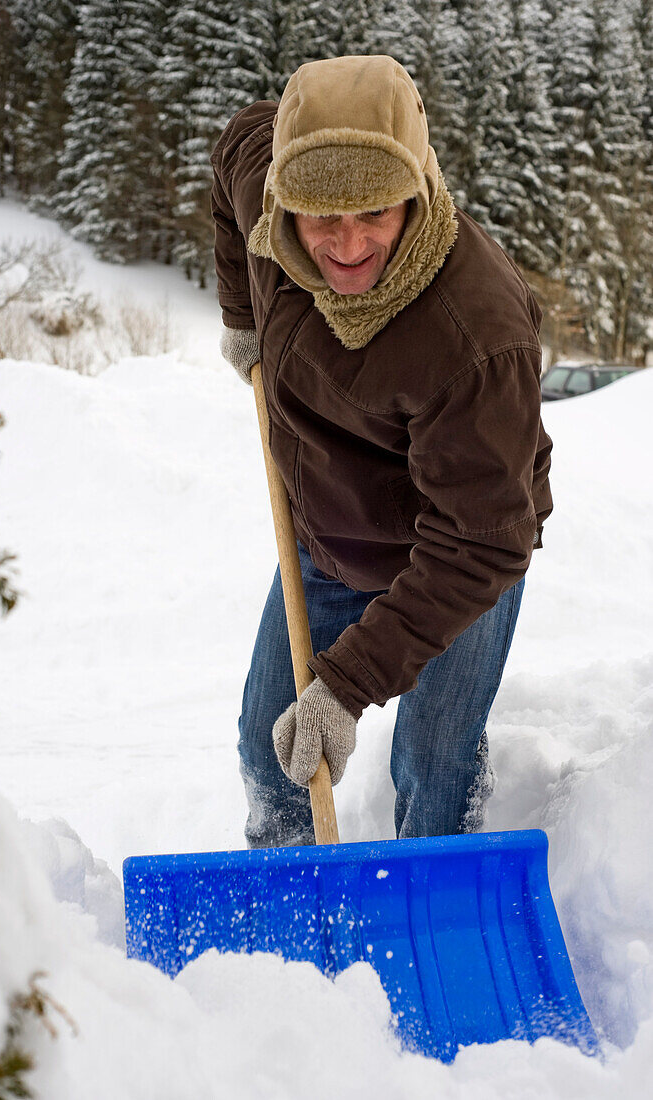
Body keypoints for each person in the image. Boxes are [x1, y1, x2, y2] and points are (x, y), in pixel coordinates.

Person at [210, 55, 552, 848]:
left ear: (417, 187)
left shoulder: (478, 336)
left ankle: (438, 883)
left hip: (461, 554)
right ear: (286, 199)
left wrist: (348, 684)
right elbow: (237, 145)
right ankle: (289, 894)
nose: (348, 242)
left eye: (375, 210)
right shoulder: (273, 203)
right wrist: (240, 313)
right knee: (271, 759)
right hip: (328, 540)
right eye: (320, 215)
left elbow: (480, 541)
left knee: (435, 769)